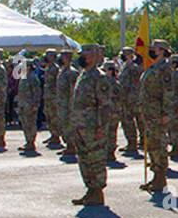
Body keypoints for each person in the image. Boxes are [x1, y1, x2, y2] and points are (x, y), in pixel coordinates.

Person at [70, 44, 115, 206]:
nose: (81, 57)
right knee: (84, 159)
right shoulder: (83, 75)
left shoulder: (99, 77)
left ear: (94, 56)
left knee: (95, 159)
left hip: (93, 127)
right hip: (80, 126)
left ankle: (97, 192)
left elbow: (105, 106)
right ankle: (90, 190)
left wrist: (101, 128)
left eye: (85, 54)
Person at [139, 40, 175, 193]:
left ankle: (161, 177)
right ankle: (156, 176)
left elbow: (168, 93)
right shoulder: (154, 66)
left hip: (158, 114)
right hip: (151, 113)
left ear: (162, 50)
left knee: (159, 144)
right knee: (152, 144)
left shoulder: (165, 69)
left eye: (154, 48)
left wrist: (166, 113)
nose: (151, 50)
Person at [117, 46, 143, 154]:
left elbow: (136, 83)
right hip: (126, 97)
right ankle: (133, 142)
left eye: (123, 54)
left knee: (129, 121)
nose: (121, 56)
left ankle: (133, 144)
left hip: (131, 98)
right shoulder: (125, 67)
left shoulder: (133, 68)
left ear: (129, 55)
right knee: (130, 121)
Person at [16, 54, 44, 153]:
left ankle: (31, 142)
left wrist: (36, 105)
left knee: (30, 124)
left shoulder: (33, 78)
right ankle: (28, 141)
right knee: (25, 124)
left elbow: (37, 93)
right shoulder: (24, 77)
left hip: (30, 105)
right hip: (23, 104)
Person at [56, 50, 80, 157]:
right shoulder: (62, 71)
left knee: (69, 125)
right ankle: (68, 145)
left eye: (63, 57)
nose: (61, 59)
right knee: (63, 125)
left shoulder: (72, 72)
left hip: (68, 104)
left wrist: (72, 106)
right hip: (62, 103)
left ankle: (72, 146)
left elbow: (73, 90)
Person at [42, 50, 60, 146]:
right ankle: (52, 134)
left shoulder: (55, 68)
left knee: (54, 117)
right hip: (48, 96)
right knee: (48, 116)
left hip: (53, 97)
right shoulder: (48, 68)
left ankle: (56, 136)